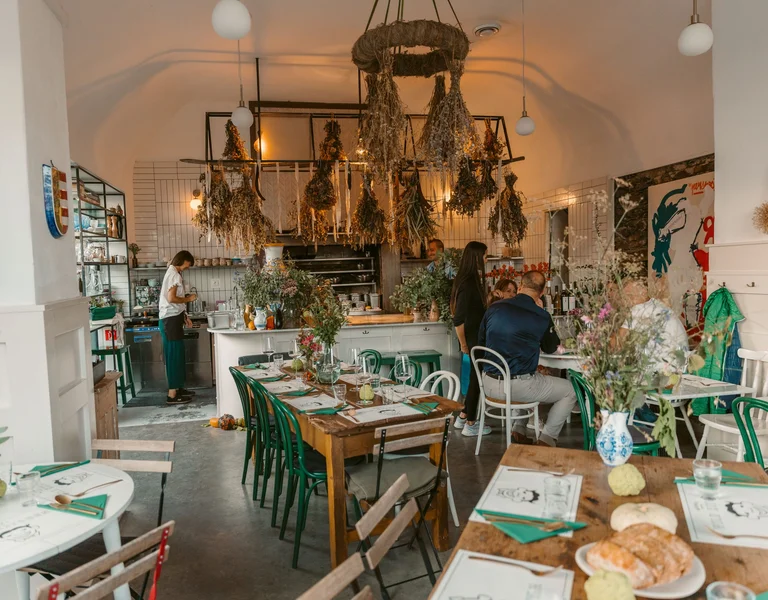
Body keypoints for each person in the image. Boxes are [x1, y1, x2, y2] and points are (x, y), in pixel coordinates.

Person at [477, 270, 577, 447]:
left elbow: (481, 342)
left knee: (529, 375)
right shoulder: (541, 316)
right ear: (543, 291)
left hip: (488, 385)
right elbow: (551, 347)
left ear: (520, 286)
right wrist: (542, 313)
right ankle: (546, 440)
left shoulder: (494, 308)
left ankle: (519, 429)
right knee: (570, 390)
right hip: (518, 387)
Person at [451, 241, 490, 437]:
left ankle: (464, 415)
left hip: (475, 338)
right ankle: (472, 423)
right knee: (476, 380)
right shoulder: (468, 283)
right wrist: (464, 344)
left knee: (476, 379)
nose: (486, 260)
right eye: (485, 256)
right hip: (473, 340)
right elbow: (458, 319)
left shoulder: (467, 280)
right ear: (476, 258)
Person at [621, 280, 689, 374]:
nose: (627, 301)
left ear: (644, 292)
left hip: (663, 372)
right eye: (625, 297)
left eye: (630, 296)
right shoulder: (656, 304)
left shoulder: (638, 309)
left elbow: (617, 342)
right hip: (680, 368)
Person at [160, 251, 197, 405]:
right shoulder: (174, 275)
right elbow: (172, 298)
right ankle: (172, 394)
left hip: (174, 319)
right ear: (183, 260)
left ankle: (179, 388)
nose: (187, 267)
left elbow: (175, 302)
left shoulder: (174, 273)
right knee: (174, 356)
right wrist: (189, 298)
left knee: (178, 355)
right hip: (170, 321)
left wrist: (185, 316)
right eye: (188, 264)